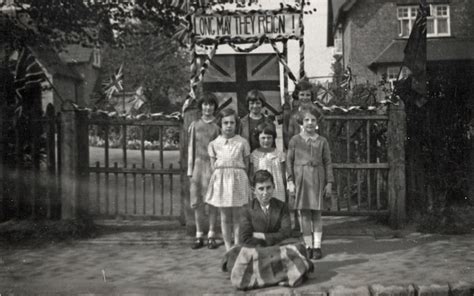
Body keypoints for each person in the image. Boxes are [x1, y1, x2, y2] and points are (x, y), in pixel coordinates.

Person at [286, 106, 334, 260]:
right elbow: (289, 161)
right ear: (301, 122)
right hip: (301, 180)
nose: (310, 123)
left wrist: (329, 183)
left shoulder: (322, 141)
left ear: (317, 122)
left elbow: (328, 162)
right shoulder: (295, 140)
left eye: (313, 120)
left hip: (317, 179)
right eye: (307, 120)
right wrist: (290, 181)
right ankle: (308, 246)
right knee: (305, 214)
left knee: (317, 214)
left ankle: (317, 246)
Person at [206, 108, 251, 251]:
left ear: (236, 124)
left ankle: (237, 245)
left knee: (237, 216)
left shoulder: (242, 142)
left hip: (238, 178)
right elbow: (213, 166)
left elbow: (247, 163)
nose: (229, 126)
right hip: (222, 180)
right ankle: (228, 247)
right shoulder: (214, 144)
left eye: (232, 122)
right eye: (225, 123)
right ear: (220, 124)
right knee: (224, 216)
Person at [187, 92, 220, 249]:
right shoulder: (195, 125)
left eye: (211, 105)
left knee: (212, 202)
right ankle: (199, 234)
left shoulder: (217, 127)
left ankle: (212, 234)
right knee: (197, 202)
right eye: (205, 104)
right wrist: (190, 170)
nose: (208, 108)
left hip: (212, 167)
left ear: (215, 107)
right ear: (201, 107)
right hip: (198, 167)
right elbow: (191, 149)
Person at [239, 170, 293, 247]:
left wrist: (263, 236)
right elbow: (245, 238)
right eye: (261, 189)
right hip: (256, 252)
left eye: (268, 188)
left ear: (273, 187)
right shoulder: (246, 209)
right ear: (253, 190)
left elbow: (286, 233)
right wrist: (274, 238)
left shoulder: (282, 207)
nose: (265, 192)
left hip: (278, 251)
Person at [249, 122, 286, 203]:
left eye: (269, 138)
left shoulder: (280, 155)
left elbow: (283, 176)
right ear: (258, 138)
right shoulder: (254, 155)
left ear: (273, 139)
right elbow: (251, 175)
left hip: (277, 189)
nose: (266, 140)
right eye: (263, 138)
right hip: (261, 189)